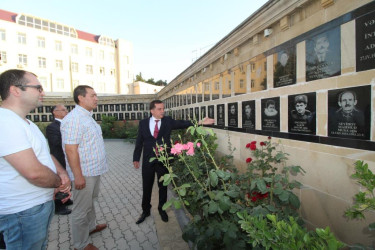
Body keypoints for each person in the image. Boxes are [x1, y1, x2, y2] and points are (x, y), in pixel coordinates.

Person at [0, 69, 71, 249]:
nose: (43, 93)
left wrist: (62, 173)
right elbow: (34, 173)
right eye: (38, 88)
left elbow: (45, 155)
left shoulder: (26, 122)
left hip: (35, 206)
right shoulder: (6, 122)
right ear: (15, 90)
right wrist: (58, 183)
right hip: (22, 212)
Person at [133, 100, 214, 224]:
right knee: (147, 186)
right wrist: (136, 158)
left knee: (163, 186)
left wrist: (199, 122)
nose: (162, 111)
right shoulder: (143, 123)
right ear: (152, 111)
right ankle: (145, 211)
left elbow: (183, 123)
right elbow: (139, 141)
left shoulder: (167, 121)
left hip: (164, 159)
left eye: (163, 109)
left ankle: (162, 209)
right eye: (159, 109)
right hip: (148, 160)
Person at [61, 85, 108, 250]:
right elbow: (70, 149)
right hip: (84, 174)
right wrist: (78, 176)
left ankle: (91, 227)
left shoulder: (87, 117)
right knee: (81, 209)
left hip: (94, 171)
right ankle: (80, 245)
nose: (96, 98)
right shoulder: (74, 119)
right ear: (80, 97)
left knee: (90, 202)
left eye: (96, 95)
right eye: (93, 95)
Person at [46, 104, 73, 215]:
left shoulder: (67, 125)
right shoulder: (52, 127)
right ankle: (58, 206)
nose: (66, 112)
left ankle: (66, 199)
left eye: (66, 110)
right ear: (55, 112)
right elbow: (56, 143)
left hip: (68, 157)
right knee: (60, 182)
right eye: (63, 110)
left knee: (67, 179)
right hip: (59, 157)